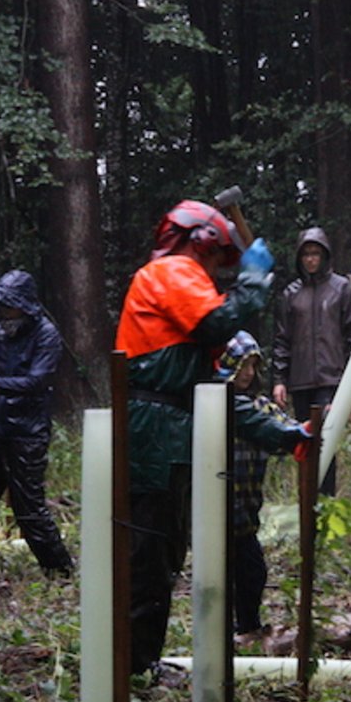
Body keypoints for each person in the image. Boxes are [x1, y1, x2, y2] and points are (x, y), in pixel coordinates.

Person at [115, 199, 294, 676]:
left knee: (166, 552)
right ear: (200, 243)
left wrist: (282, 433)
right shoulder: (170, 272)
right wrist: (253, 280)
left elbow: (218, 394)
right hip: (154, 429)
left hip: (173, 426)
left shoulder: (185, 287)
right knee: (148, 553)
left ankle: (142, 660)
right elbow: (217, 322)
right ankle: (133, 666)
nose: (217, 272)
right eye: (217, 259)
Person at [0, 270, 73, 577]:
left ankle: (59, 572)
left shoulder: (46, 334)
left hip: (27, 434)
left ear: (25, 306)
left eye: (9, 306)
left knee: (29, 509)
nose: (3, 313)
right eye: (0, 307)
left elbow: (35, 381)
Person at [217, 331, 311, 643]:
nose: (248, 373)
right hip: (217, 507)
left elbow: (285, 430)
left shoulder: (259, 406)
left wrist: (304, 432)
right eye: (243, 365)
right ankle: (228, 629)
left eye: (253, 366)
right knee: (227, 571)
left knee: (252, 571)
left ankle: (247, 626)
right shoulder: (213, 404)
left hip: (246, 508)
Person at [272, 227, 351, 496]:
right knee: (305, 443)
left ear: (325, 255)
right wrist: (278, 380)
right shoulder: (290, 294)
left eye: (315, 253)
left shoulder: (341, 287)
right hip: (299, 381)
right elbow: (282, 339)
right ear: (299, 258)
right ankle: (307, 504)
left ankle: (326, 503)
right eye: (306, 254)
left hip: (331, 379)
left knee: (326, 442)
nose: (311, 259)